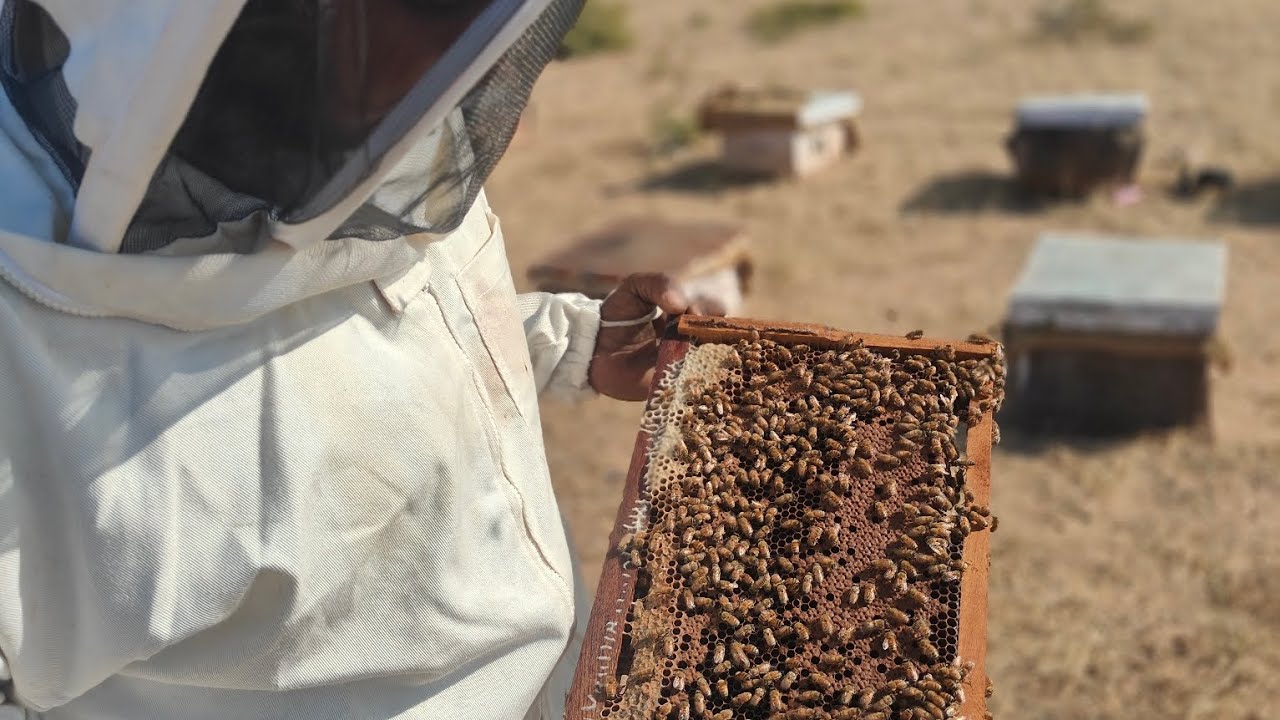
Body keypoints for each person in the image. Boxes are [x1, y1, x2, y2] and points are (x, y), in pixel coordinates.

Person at [0, 1, 719, 717]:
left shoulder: (392, 129)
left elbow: (385, 321)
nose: (450, 61)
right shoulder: (24, 386)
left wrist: (569, 344)